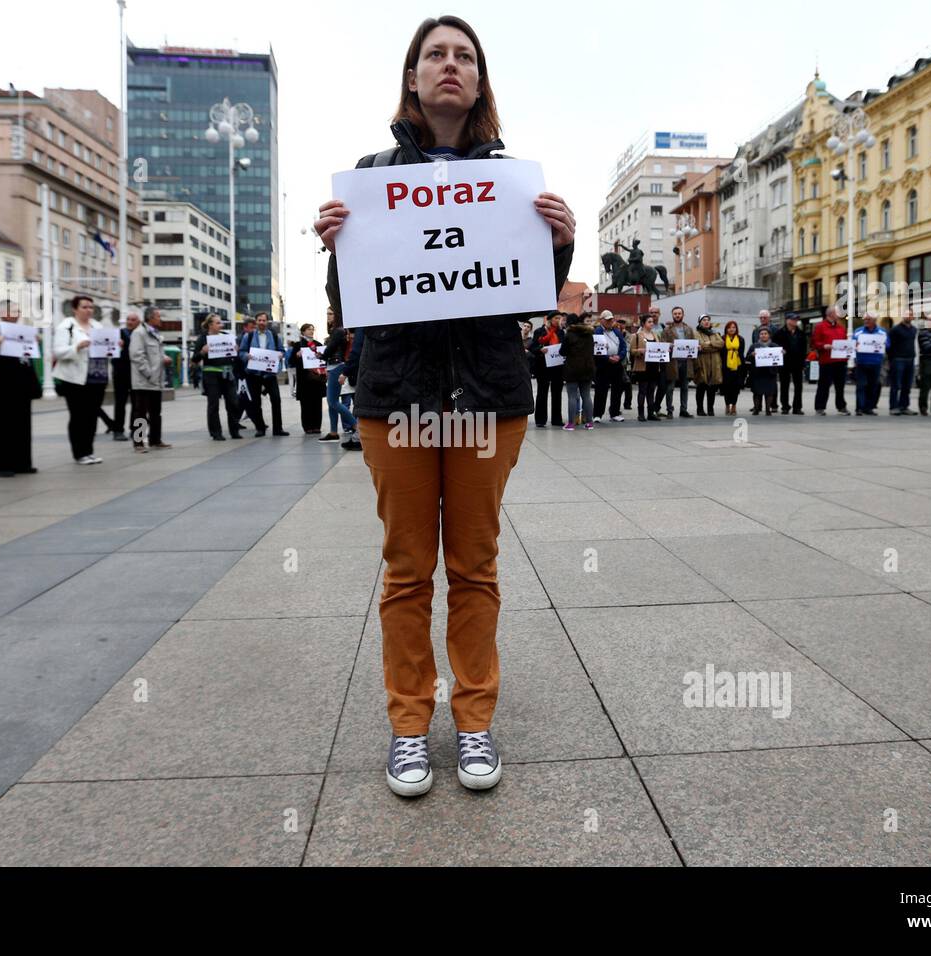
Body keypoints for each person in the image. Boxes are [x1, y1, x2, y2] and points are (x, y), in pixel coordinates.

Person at [316, 14, 575, 796]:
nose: (450, 66)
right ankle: (406, 726)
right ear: (413, 77)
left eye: (464, 56)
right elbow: (353, 304)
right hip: (394, 395)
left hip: (487, 399)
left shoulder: (511, 179)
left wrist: (560, 242)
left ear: (480, 79)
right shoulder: (371, 173)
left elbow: (527, 295)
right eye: (436, 55)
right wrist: (336, 246)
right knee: (405, 570)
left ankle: (473, 723)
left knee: (475, 566)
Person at [0, 300, 41, 476]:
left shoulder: (24, 332)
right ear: (4, 313)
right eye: (15, 310)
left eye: (19, 310)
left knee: (23, 426)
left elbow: (28, 361)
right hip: (4, 388)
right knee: (4, 427)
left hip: (22, 387)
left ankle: (22, 463)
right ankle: (2, 465)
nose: (18, 313)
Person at [52, 295, 106, 465]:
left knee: (91, 417)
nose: (89, 310)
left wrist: (114, 345)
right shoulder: (66, 326)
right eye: (84, 307)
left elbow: (105, 349)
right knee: (78, 417)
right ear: (75, 309)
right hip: (74, 379)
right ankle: (79, 453)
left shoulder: (98, 326)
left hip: (97, 377)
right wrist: (77, 346)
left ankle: (89, 451)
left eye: (91, 307)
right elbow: (58, 352)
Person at [130, 306, 173, 452]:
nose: (160, 319)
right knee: (140, 413)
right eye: (158, 316)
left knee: (156, 412)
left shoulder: (155, 333)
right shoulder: (139, 333)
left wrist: (164, 358)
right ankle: (138, 442)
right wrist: (149, 373)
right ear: (150, 318)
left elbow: (154, 356)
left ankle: (155, 440)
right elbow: (137, 356)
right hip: (143, 381)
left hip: (156, 380)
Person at [238, 312, 289, 437]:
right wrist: (246, 356)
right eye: (259, 320)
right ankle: (260, 428)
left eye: (264, 320)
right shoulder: (248, 337)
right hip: (253, 374)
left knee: (276, 400)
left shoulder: (275, 336)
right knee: (255, 402)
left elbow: (281, 350)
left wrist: (281, 354)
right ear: (256, 322)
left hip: (269, 374)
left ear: (267, 322)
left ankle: (278, 429)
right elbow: (241, 352)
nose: (261, 322)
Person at [195, 313, 243, 440]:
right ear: (210, 325)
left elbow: (234, 357)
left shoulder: (227, 337)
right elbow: (194, 358)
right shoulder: (203, 338)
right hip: (211, 375)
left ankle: (234, 431)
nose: (220, 325)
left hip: (227, 374)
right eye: (217, 323)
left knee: (233, 402)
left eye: (220, 322)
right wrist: (202, 352)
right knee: (213, 404)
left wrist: (235, 350)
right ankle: (216, 433)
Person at [320, 309, 358, 442]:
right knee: (333, 402)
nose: (328, 316)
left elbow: (330, 350)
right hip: (334, 366)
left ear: (337, 315)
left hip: (337, 366)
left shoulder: (339, 330)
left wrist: (322, 356)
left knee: (333, 401)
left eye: (331, 313)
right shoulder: (338, 330)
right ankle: (333, 432)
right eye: (327, 314)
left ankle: (356, 426)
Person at [287, 323, 328, 435]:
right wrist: (297, 355)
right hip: (304, 380)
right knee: (306, 405)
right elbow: (290, 361)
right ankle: (307, 426)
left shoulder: (318, 345)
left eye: (312, 329)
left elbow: (323, 361)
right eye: (308, 329)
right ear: (303, 331)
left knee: (317, 403)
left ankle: (316, 426)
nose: (311, 331)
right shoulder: (298, 345)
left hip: (316, 379)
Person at [811, 304, 851, 416]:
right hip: (827, 361)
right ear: (831, 314)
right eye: (838, 313)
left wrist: (850, 349)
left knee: (840, 386)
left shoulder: (841, 327)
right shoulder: (820, 327)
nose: (839, 315)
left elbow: (845, 341)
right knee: (824, 385)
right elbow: (814, 342)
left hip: (840, 361)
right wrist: (824, 346)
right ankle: (820, 407)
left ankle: (841, 407)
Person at [529, 311, 565, 427]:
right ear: (549, 319)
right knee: (542, 393)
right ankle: (540, 420)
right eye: (556, 318)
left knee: (557, 393)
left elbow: (564, 347)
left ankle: (556, 419)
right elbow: (532, 346)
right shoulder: (539, 331)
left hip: (557, 366)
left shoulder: (560, 332)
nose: (558, 320)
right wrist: (540, 349)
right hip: (542, 366)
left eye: (560, 318)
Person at [560, 313, 595, 430]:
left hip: (572, 368)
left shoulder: (569, 334)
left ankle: (571, 424)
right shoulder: (589, 334)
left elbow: (562, 352)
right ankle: (589, 423)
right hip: (588, 367)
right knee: (586, 395)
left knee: (572, 396)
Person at [660, 306, 696, 418]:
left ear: (683, 315)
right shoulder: (667, 330)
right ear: (672, 315)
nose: (677, 315)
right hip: (672, 362)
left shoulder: (689, 329)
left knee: (685, 387)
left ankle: (683, 410)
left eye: (679, 313)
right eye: (675, 313)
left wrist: (696, 347)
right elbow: (662, 343)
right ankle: (669, 410)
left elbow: (693, 343)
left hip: (686, 361)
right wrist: (669, 346)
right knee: (670, 387)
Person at [591, 311, 627, 422]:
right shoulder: (597, 332)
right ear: (601, 320)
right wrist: (607, 358)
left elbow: (623, 346)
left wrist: (619, 357)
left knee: (617, 389)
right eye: (607, 319)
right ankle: (597, 414)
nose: (609, 321)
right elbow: (596, 349)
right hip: (603, 364)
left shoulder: (617, 332)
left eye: (611, 319)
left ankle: (615, 413)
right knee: (601, 390)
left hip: (616, 364)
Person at [628, 313, 664, 422]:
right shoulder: (637, 336)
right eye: (649, 321)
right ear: (643, 323)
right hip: (642, 366)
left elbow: (659, 348)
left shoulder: (655, 335)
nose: (652, 323)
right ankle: (641, 413)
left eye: (652, 322)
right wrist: (639, 351)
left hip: (654, 366)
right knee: (643, 390)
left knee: (651, 390)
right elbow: (632, 351)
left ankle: (650, 413)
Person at [109, 311, 138, 441]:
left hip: (137, 373)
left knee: (138, 404)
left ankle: (137, 431)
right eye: (128, 319)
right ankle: (118, 430)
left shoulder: (140, 334)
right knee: (120, 403)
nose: (130, 322)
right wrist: (116, 346)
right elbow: (109, 353)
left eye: (133, 320)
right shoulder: (118, 334)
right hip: (120, 373)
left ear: (138, 322)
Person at [852, 313, 888, 416]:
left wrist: (883, 343)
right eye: (865, 319)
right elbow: (852, 343)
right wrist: (856, 345)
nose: (865, 321)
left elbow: (888, 344)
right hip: (861, 362)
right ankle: (859, 408)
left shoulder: (882, 332)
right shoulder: (858, 331)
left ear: (874, 320)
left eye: (868, 319)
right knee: (861, 386)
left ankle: (868, 408)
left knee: (873, 386)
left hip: (876, 363)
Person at [773, 312, 808, 415]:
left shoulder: (801, 333)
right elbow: (774, 346)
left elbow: (804, 349)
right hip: (785, 363)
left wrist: (803, 361)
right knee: (784, 385)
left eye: (796, 320)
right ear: (787, 320)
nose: (795, 321)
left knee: (798, 386)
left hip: (797, 363)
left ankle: (797, 407)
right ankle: (785, 406)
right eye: (793, 319)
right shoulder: (779, 333)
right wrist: (779, 350)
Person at [886, 310, 918, 415]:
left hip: (910, 359)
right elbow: (889, 346)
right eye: (906, 314)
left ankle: (904, 406)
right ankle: (894, 407)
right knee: (896, 385)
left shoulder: (914, 329)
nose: (908, 316)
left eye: (910, 315)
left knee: (907, 385)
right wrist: (892, 359)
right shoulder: (895, 329)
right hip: (898, 359)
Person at [691, 313, 723, 417]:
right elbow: (700, 345)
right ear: (700, 322)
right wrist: (712, 344)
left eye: (708, 320)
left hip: (714, 363)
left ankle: (710, 409)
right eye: (704, 320)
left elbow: (721, 343)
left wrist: (709, 343)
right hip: (702, 362)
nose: (706, 322)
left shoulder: (715, 333)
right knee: (701, 386)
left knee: (712, 388)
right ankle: (700, 409)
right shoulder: (696, 333)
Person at [747, 326, 780, 415]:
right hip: (757, 373)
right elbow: (747, 358)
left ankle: (768, 409)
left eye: (765, 334)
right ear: (759, 335)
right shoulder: (754, 346)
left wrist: (782, 353)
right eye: (761, 334)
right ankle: (756, 409)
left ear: (769, 335)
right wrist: (752, 355)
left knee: (769, 393)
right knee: (757, 392)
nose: (763, 335)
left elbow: (779, 359)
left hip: (770, 373)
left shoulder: (774, 346)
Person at [718, 318, 745, 415]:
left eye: (733, 327)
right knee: (726, 387)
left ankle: (734, 405)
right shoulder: (722, 338)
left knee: (735, 388)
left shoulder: (741, 339)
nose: (731, 329)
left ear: (736, 329)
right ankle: (727, 405)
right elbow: (720, 353)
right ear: (726, 329)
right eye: (729, 327)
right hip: (725, 366)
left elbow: (741, 354)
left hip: (737, 366)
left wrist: (743, 367)